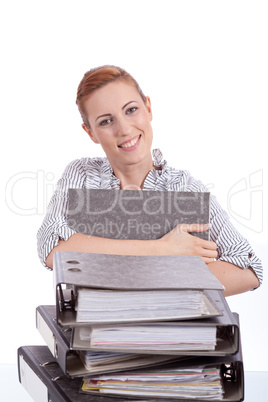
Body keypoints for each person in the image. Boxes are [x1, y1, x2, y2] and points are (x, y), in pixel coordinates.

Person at [37, 65, 262, 297]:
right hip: (96, 329)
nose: (124, 129)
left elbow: (248, 269)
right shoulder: (82, 176)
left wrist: (145, 278)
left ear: (148, 108)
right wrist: (164, 249)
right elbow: (52, 248)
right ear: (91, 132)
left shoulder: (184, 188)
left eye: (131, 110)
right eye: (106, 121)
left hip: (171, 328)